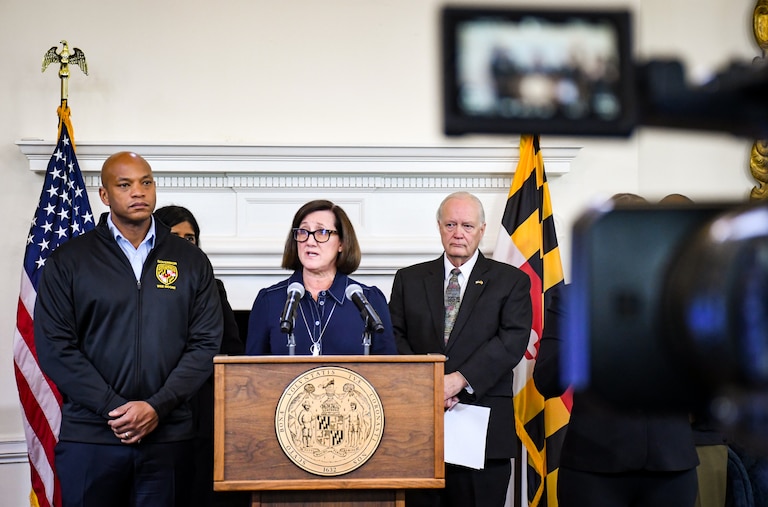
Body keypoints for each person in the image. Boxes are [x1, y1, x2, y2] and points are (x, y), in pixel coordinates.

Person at [34, 152, 223, 507]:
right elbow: (56, 347)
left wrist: (156, 407)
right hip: (91, 439)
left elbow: (205, 344)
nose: (139, 192)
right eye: (125, 184)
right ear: (105, 195)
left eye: (146, 182)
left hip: (169, 438)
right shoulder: (70, 260)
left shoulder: (190, 260)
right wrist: (115, 409)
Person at [533, 193, 699, 507]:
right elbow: (546, 382)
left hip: (670, 466)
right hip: (592, 469)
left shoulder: (682, 298)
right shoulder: (571, 299)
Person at [389, 191, 533, 507]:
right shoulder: (408, 279)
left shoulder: (511, 281)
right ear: (439, 227)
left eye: (467, 225)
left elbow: (512, 341)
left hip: (483, 432)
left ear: (482, 230)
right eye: (450, 224)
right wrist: (429, 384)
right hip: (417, 430)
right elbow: (393, 338)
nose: (458, 233)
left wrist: (458, 379)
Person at [154, 205, 246, 507]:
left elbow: (231, 348)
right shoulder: (139, 290)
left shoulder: (212, 288)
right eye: (174, 236)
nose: (183, 244)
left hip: (204, 408)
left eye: (190, 238)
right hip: (155, 409)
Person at [246, 199, 396, 356]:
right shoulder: (269, 300)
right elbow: (249, 373)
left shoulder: (369, 299)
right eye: (303, 231)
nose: (310, 241)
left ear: (342, 243)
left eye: (322, 232)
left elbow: (390, 373)